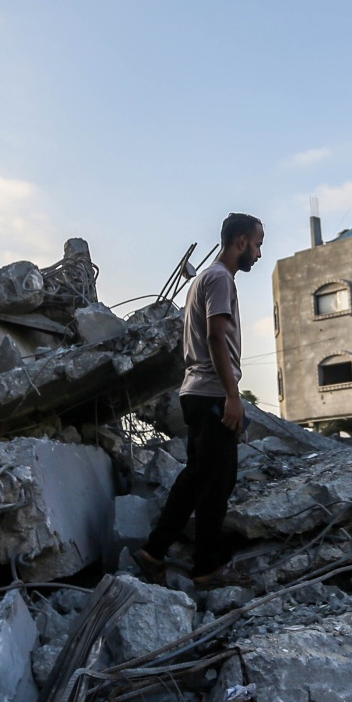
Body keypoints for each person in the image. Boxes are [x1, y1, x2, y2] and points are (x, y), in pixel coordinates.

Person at [138, 212, 263, 585]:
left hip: (195, 391)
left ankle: (154, 551)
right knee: (217, 483)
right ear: (240, 241)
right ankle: (207, 567)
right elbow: (214, 338)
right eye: (257, 245)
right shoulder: (221, 279)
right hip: (211, 393)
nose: (258, 254)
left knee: (197, 477)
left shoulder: (205, 279)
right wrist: (232, 396)